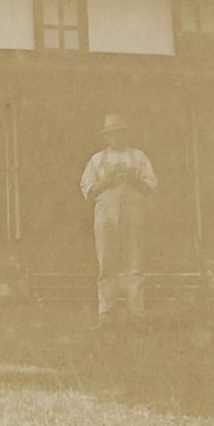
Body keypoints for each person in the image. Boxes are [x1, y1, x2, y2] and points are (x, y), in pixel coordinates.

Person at [79, 114, 157, 327]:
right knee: (106, 263)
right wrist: (106, 182)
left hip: (133, 214)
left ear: (126, 134)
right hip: (106, 214)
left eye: (121, 133)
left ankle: (137, 315)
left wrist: (132, 179)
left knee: (135, 264)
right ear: (106, 137)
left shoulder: (139, 157)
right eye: (112, 134)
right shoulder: (97, 160)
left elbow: (149, 186)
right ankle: (106, 314)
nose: (117, 137)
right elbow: (88, 190)